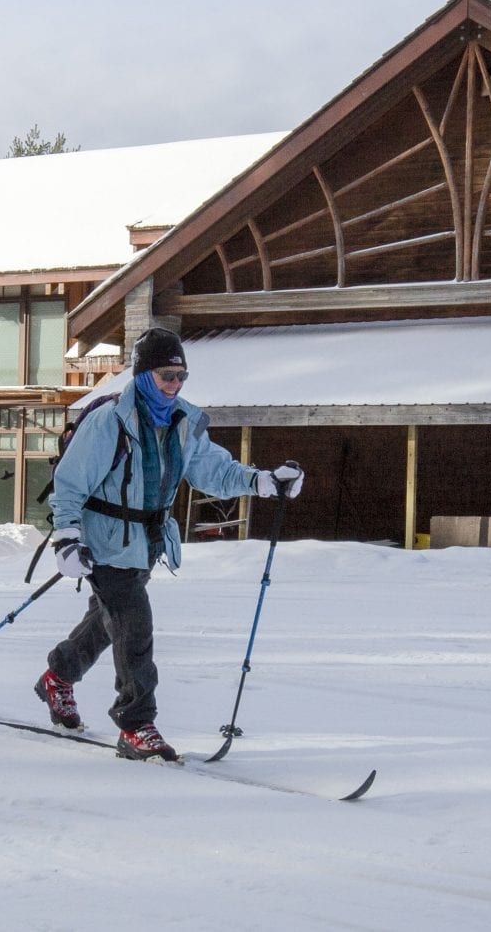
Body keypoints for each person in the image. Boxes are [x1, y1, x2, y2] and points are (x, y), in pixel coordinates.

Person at [35, 326, 305, 761]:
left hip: (145, 542)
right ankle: (136, 724)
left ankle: (58, 678)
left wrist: (265, 482)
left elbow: (215, 470)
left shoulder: (182, 422)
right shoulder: (110, 422)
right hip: (104, 540)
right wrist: (67, 536)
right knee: (133, 625)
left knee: (110, 623)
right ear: (143, 375)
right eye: (166, 375)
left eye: (181, 375)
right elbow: (70, 481)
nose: (175, 384)